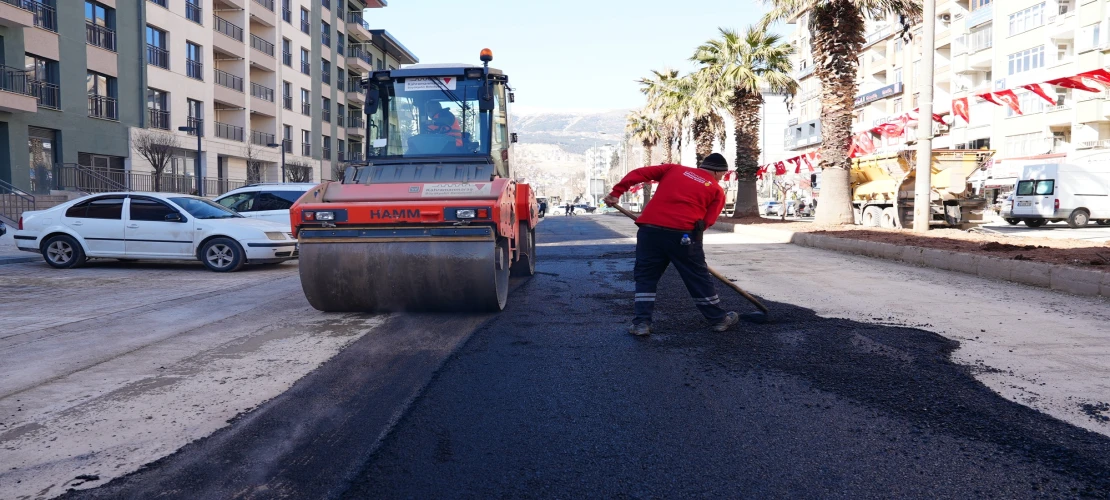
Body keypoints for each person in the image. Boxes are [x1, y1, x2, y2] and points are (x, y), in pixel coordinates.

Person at [604, 153, 739, 336]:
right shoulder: (716, 189)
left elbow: (638, 173)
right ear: (716, 172)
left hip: (649, 231)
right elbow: (708, 221)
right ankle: (719, 320)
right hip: (683, 235)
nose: (722, 179)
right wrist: (692, 244)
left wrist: (615, 193)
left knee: (646, 276)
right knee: (697, 277)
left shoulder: (673, 169)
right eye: (722, 175)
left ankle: (641, 324)